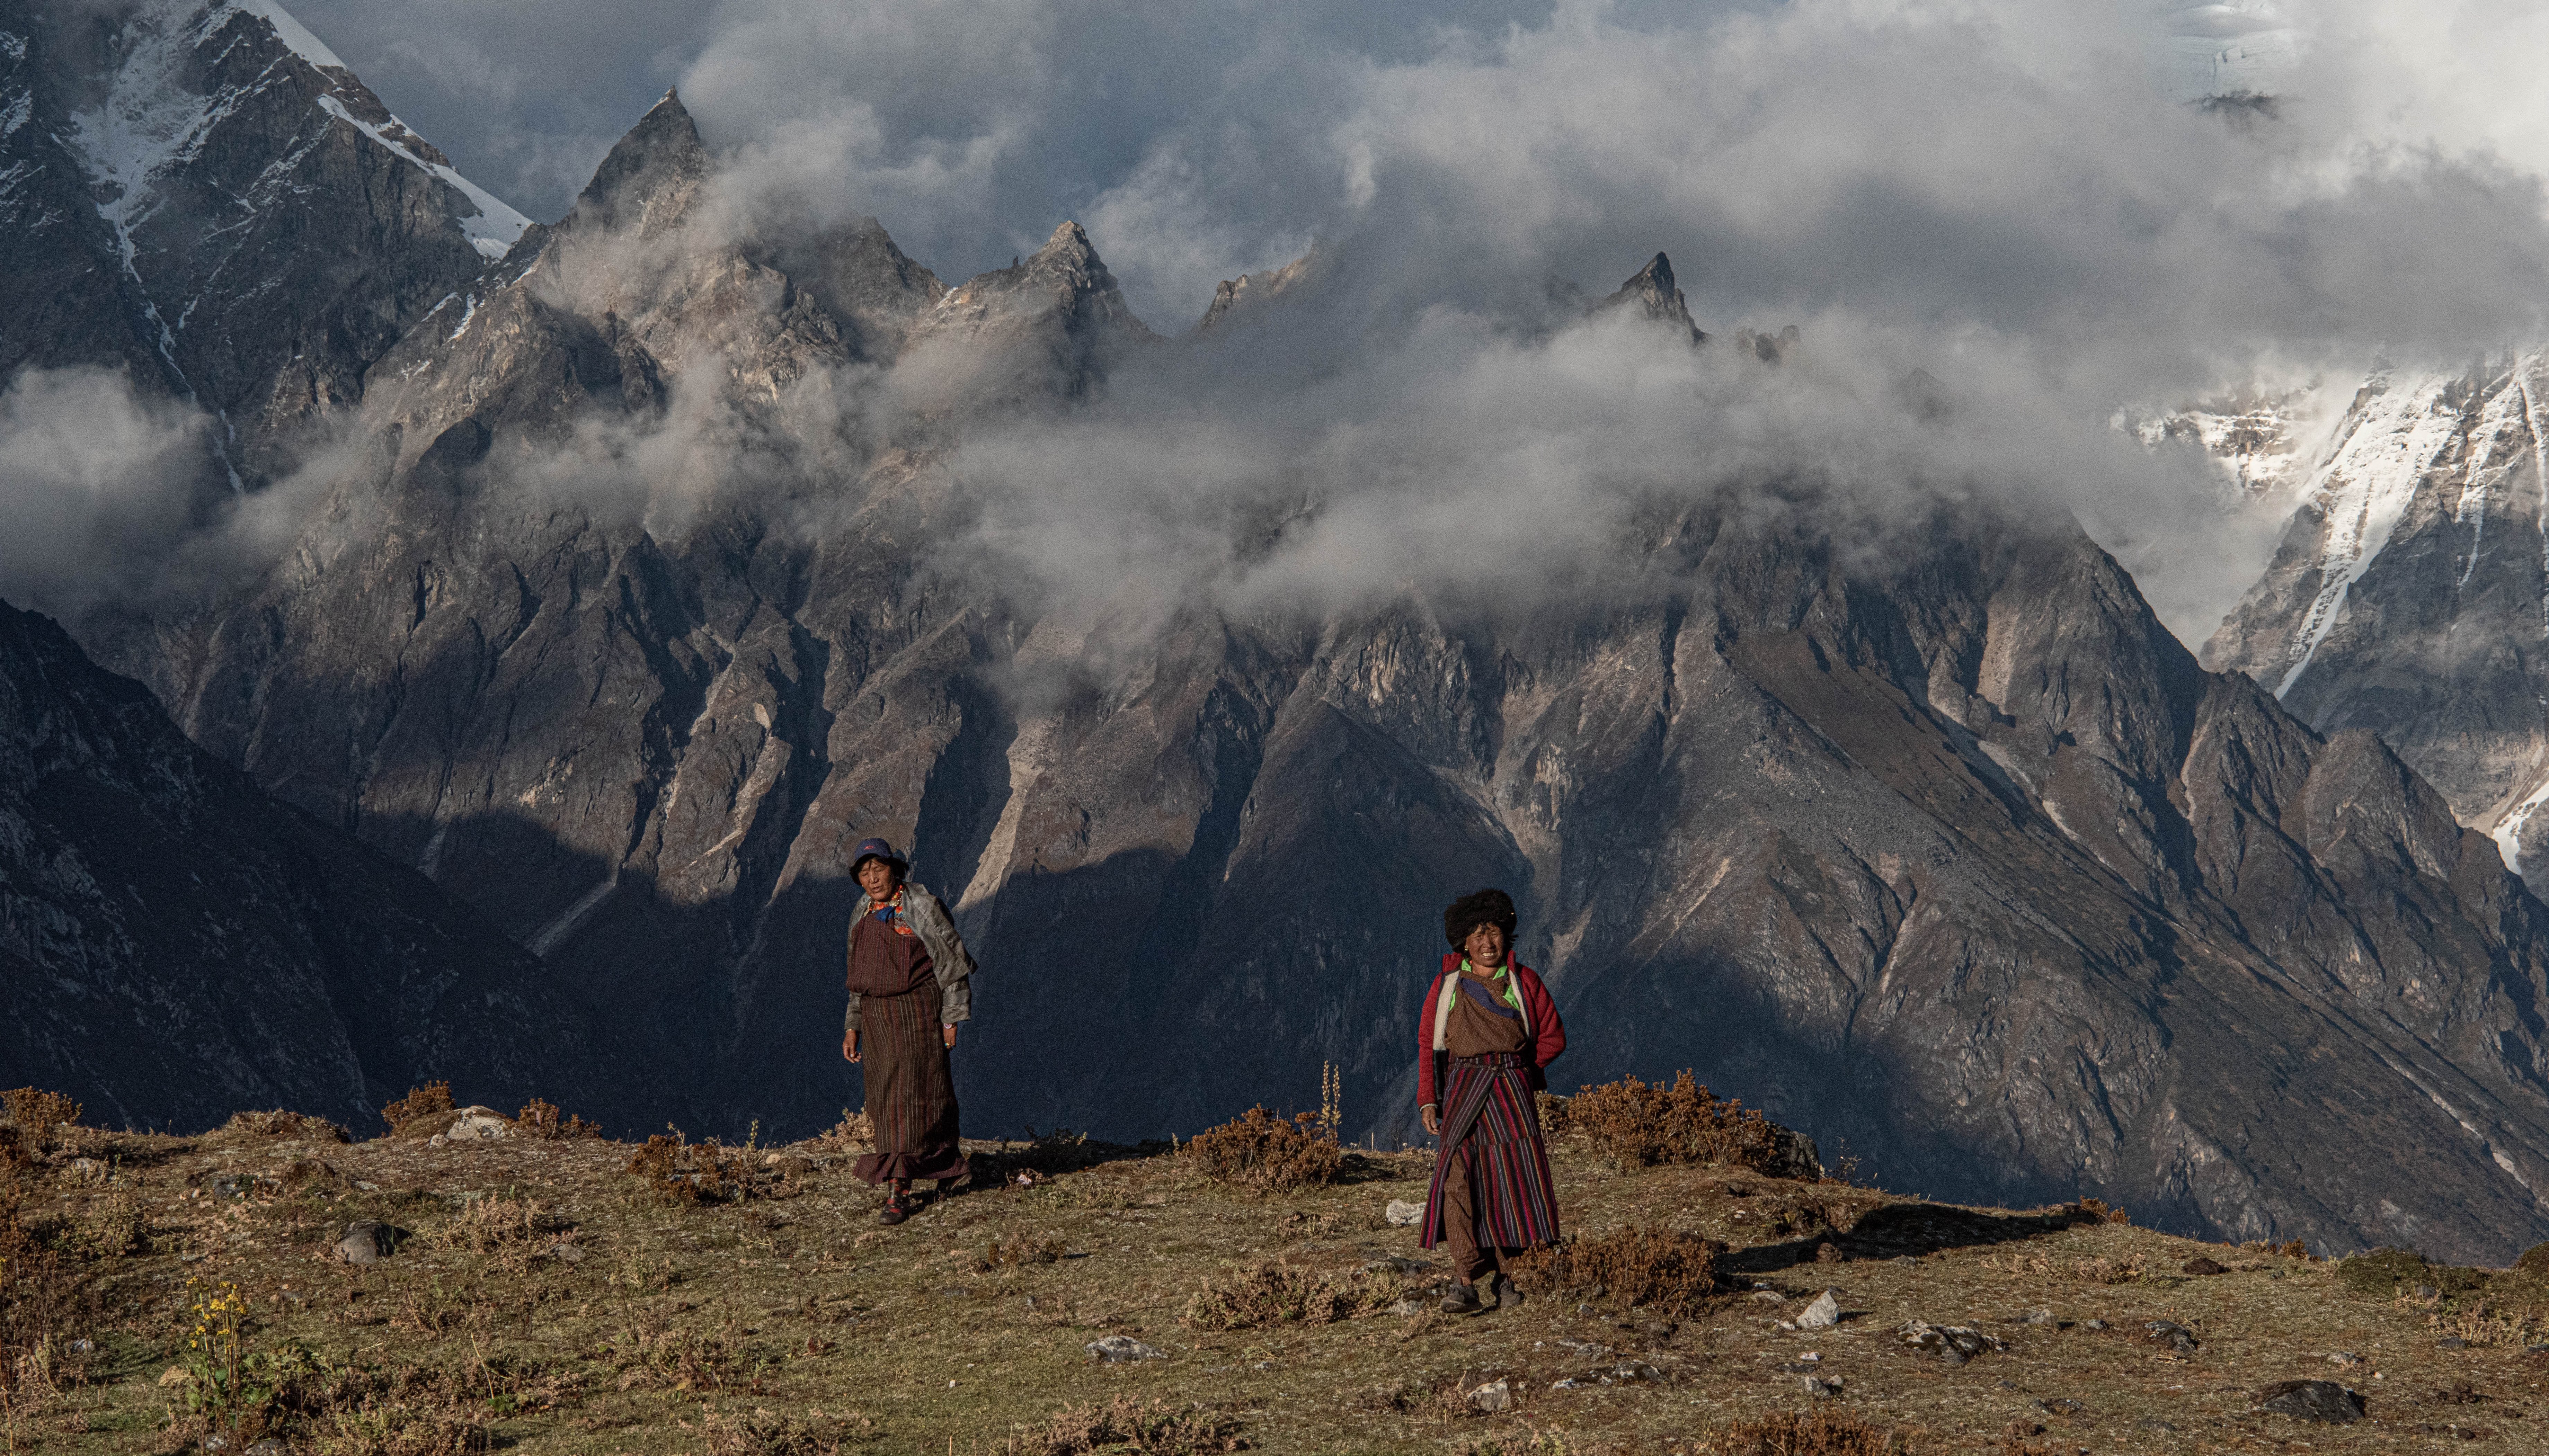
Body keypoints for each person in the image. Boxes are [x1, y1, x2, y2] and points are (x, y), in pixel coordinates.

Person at [1416, 887, 1565, 1314]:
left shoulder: (1525, 982)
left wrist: (1518, 1068)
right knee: (1456, 1179)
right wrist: (1429, 1098)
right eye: (1477, 933)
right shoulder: (1448, 987)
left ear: (1507, 935)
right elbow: (1429, 1043)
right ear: (1463, 941)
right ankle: (1464, 1279)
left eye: (1494, 931)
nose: (1486, 941)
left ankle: (1509, 1277)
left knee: (1509, 1181)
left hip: (1510, 1090)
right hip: (1463, 1087)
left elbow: (1553, 1036)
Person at [840, 838, 976, 1225]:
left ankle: (899, 1189)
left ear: (894, 869)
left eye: (878, 869)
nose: (872, 878)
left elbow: (952, 964)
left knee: (916, 1097)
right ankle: (949, 1166)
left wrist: (951, 1018)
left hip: (917, 1014)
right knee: (888, 1102)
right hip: (878, 1020)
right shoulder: (861, 911)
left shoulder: (920, 906)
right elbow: (858, 978)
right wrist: (854, 1025)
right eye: (864, 873)